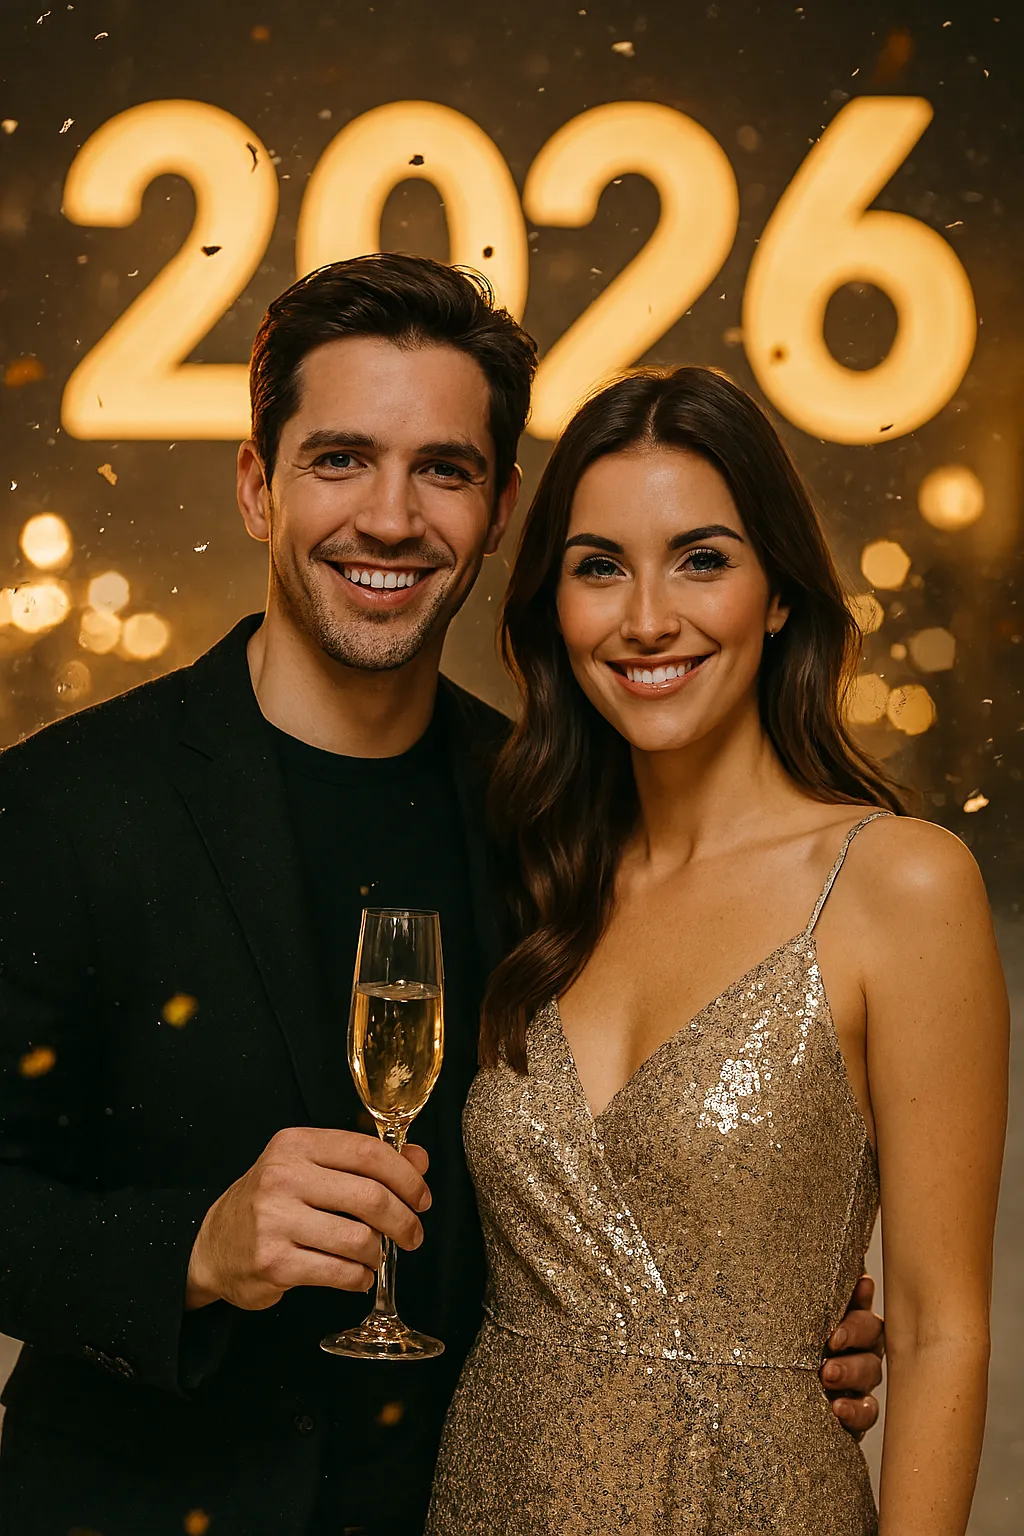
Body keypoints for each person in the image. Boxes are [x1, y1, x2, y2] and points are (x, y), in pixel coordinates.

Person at [0, 259, 884, 1536]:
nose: (391, 518)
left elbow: (638, 1154)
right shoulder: (65, 807)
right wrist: (190, 1248)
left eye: (444, 471)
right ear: (259, 488)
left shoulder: (561, 821)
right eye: (340, 460)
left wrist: (771, 1311)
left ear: (502, 507)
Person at [427, 366, 1008, 1535]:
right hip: (485, 1498)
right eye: (600, 568)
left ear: (779, 593)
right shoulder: (531, 873)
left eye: (701, 558)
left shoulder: (898, 883)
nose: (647, 617)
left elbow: (943, 1328)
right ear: (555, 607)